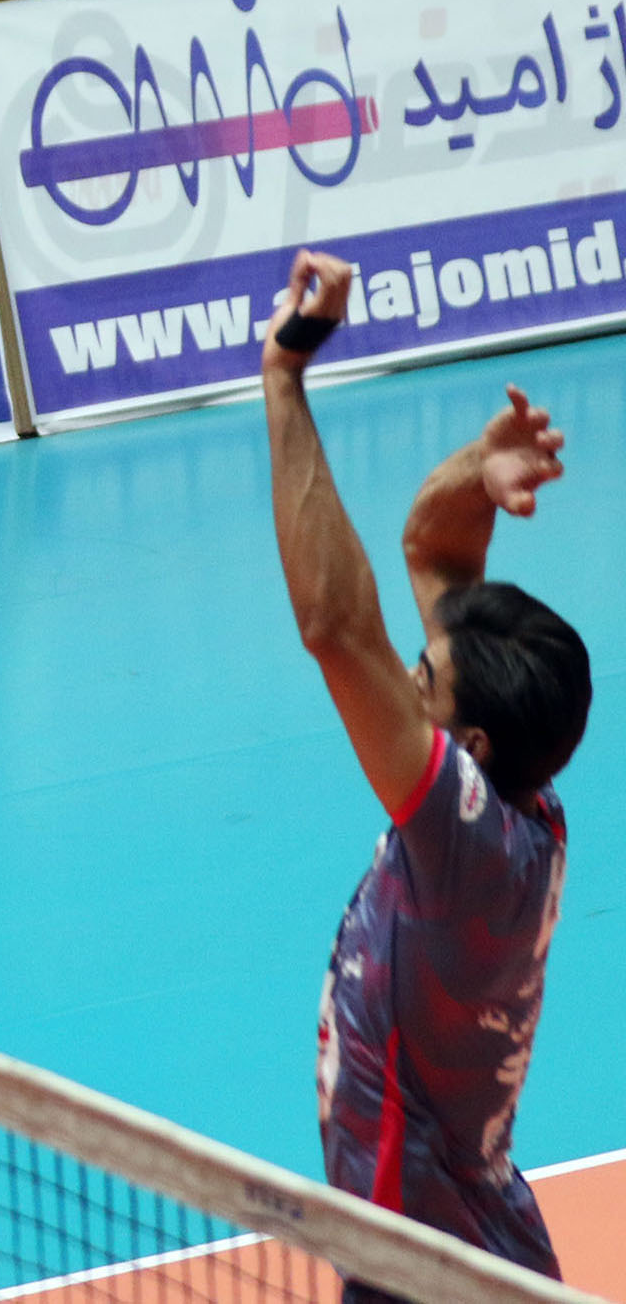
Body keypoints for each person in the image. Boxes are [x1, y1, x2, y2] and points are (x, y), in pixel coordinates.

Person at [261, 250, 592, 1300]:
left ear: (470, 749)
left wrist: (285, 376)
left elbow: (333, 627)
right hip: (459, 1233)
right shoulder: (515, 801)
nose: (406, 682)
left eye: (423, 681)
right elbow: (435, 557)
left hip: (421, 1255)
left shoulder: (465, 845)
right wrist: (475, 472)